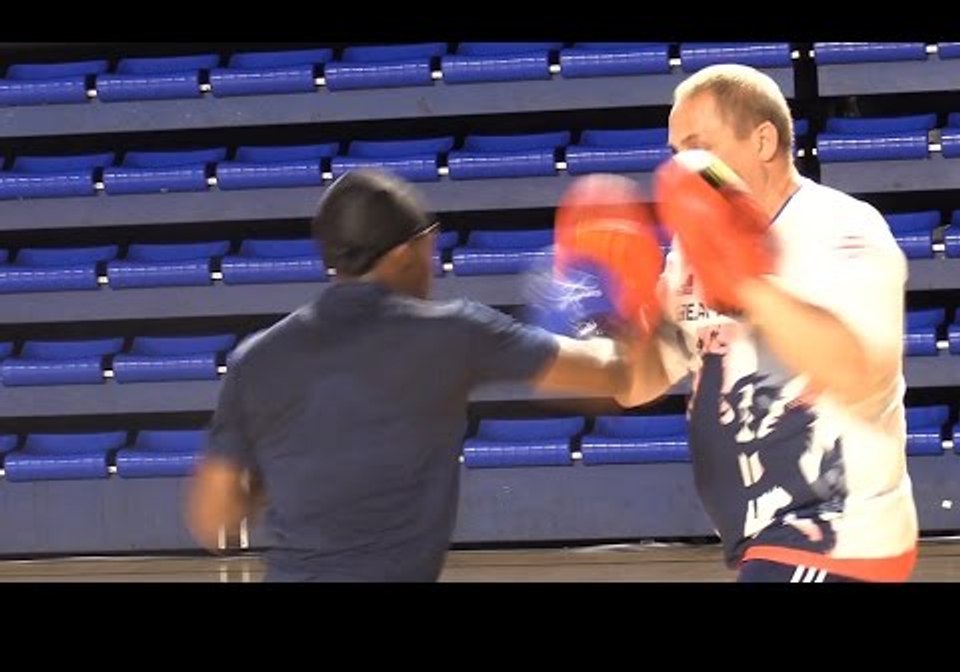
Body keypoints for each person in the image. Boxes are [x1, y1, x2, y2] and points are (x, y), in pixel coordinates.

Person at [185, 168, 646, 582]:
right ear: (407, 251)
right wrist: (611, 306)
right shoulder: (455, 332)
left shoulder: (256, 358)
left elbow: (214, 519)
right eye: (430, 245)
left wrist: (285, 471)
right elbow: (610, 374)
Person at [619, 63, 918, 582]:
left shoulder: (842, 228)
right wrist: (627, 311)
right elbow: (639, 384)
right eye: (676, 152)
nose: (684, 167)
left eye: (698, 147)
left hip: (839, 532)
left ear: (763, 141)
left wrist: (748, 283)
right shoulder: (689, 249)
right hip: (763, 540)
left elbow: (863, 375)